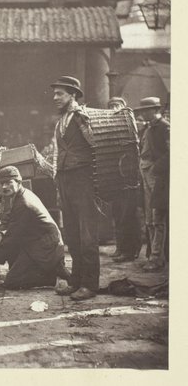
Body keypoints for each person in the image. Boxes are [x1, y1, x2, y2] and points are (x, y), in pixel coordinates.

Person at [51, 76, 99, 301]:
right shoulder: (61, 120)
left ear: (73, 95)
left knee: (86, 233)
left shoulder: (81, 117)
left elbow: (96, 145)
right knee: (72, 233)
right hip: (65, 180)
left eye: (59, 93)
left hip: (82, 179)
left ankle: (90, 285)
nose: (55, 97)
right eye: (55, 94)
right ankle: (76, 281)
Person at [0, 166, 70, 289]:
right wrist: (0, 232)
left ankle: (51, 276)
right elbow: (8, 218)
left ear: (18, 182)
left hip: (46, 246)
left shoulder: (24, 203)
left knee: (11, 283)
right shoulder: (19, 195)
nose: (4, 187)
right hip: (37, 241)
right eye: (2, 183)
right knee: (10, 247)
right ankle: (48, 270)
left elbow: (13, 235)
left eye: (8, 182)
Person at [134, 97, 170, 271]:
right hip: (145, 173)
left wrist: (156, 168)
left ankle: (157, 258)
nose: (142, 113)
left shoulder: (164, 127)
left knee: (157, 217)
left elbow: (173, 153)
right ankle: (153, 255)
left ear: (154, 110)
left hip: (157, 176)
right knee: (149, 216)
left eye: (145, 110)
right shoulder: (148, 128)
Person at [107, 97, 142, 262]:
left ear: (124, 106)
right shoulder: (109, 127)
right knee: (117, 213)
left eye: (117, 105)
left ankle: (131, 250)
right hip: (116, 177)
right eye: (111, 106)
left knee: (129, 215)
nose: (114, 108)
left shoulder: (131, 124)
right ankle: (121, 247)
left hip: (130, 177)